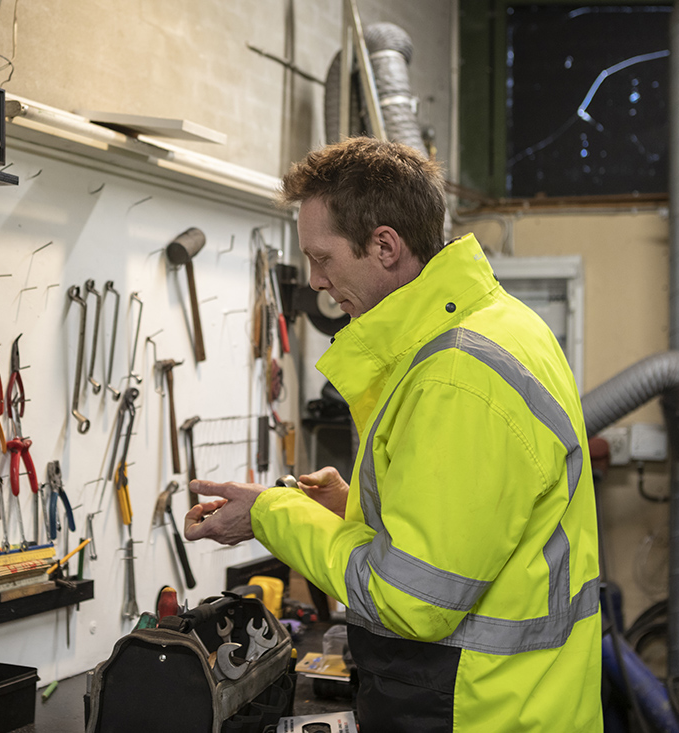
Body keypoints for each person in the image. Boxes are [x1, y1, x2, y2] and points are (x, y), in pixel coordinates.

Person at [184, 137, 602, 732]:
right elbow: (477, 529)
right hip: (519, 698)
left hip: (477, 708)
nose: (316, 280)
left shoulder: (457, 376)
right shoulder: (499, 325)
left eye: (323, 258)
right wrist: (352, 507)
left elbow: (412, 600)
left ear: (384, 245)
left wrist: (273, 515)